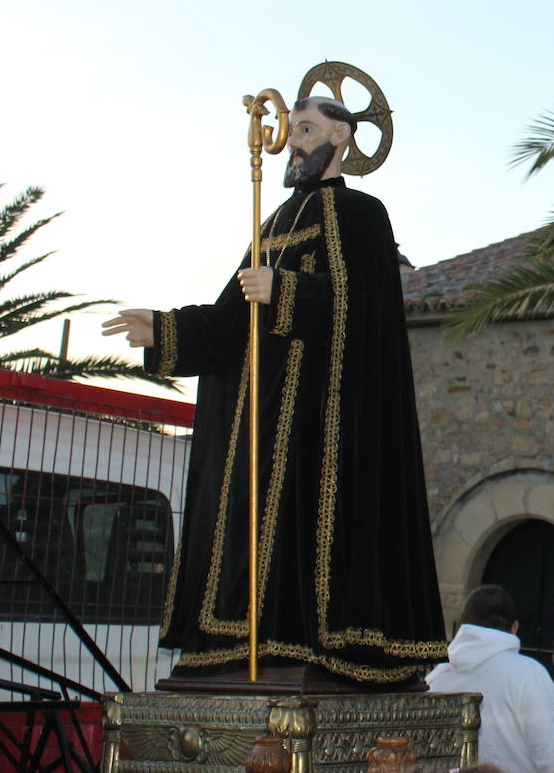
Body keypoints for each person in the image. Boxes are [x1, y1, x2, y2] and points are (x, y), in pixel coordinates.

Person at [102, 96, 446, 687]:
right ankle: (240, 639)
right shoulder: (276, 221)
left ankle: (314, 642)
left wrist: (287, 291)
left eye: (307, 130)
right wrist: (164, 327)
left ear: (342, 135)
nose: (294, 143)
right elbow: (231, 320)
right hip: (259, 418)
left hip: (323, 421)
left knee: (307, 533)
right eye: (292, 132)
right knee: (244, 522)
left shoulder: (363, 216)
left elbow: (364, 316)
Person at [426, 585, 554, 773]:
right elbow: (552, 755)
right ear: (515, 628)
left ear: (463, 626)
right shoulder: (530, 674)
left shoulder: (435, 678)